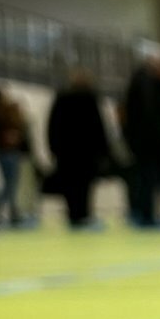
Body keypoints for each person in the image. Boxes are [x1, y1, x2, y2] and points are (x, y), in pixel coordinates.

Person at [47, 66, 110, 229]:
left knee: (69, 185)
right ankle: (84, 214)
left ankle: (73, 215)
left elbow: (53, 125)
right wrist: (104, 150)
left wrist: (53, 148)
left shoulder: (62, 98)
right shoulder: (90, 99)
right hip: (87, 152)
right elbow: (99, 127)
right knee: (85, 185)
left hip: (66, 152)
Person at [121, 50, 160, 228]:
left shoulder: (139, 81)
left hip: (142, 141)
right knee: (154, 179)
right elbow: (150, 115)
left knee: (145, 179)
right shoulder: (149, 83)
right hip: (151, 141)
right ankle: (156, 214)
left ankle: (146, 213)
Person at [0, 86, 34, 228]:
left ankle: (11, 211)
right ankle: (4, 209)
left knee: (11, 183)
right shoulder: (5, 114)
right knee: (10, 183)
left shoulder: (2, 113)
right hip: (9, 152)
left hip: (9, 152)